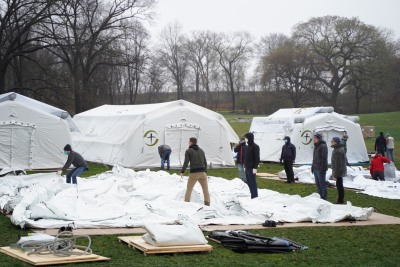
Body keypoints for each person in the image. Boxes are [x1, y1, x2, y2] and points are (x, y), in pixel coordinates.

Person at [181, 137, 210, 206]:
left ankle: (186, 204)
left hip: (194, 173)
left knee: (189, 189)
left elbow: (186, 162)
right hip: (203, 173)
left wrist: (182, 171)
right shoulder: (201, 151)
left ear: (190, 142)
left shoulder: (188, 151)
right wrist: (206, 172)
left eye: (189, 141)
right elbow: (205, 162)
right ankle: (207, 204)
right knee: (205, 190)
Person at [311, 133, 328, 200]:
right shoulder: (316, 146)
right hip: (315, 167)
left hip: (320, 168)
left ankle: (324, 197)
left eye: (314, 138)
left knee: (322, 184)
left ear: (318, 139)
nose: (313, 139)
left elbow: (324, 158)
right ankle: (320, 196)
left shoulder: (323, 146)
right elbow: (314, 158)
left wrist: (322, 168)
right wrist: (313, 166)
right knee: (318, 184)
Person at [331, 137, 347, 204]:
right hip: (339, 171)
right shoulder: (338, 149)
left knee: (339, 186)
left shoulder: (338, 151)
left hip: (339, 172)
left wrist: (335, 175)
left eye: (332, 141)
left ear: (336, 142)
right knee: (339, 186)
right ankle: (340, 200)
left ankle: (340, 201)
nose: (331, 142)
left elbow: (338, 164)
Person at [244, 132, 260, 199]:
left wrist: (255, 167)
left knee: (252, 182)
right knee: (249, 182)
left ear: (249, 138)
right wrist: (245, 166)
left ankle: (255, 196)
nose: (245, 139)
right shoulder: (248, 147)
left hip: (252, 167)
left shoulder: (255, 146)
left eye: (246, 138)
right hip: (247, 167)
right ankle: (252, 195)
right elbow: (247, 157)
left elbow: (257, 158)